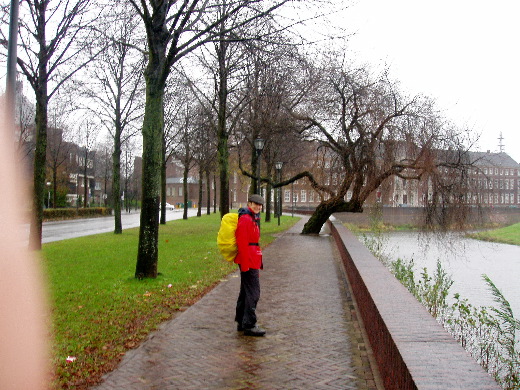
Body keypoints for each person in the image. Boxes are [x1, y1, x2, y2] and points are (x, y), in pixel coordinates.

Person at [234, 194, 266, 336]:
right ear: (249, 203)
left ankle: (241, 321)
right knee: (254, 292)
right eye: (255, 204)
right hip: (248, 261)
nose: (258, 207)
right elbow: (242, 243)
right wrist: (246, 265)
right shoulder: (246, 219)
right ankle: (249, 324)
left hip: (252, 259)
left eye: (260, 205)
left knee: (246, 291)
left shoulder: (253, 217)